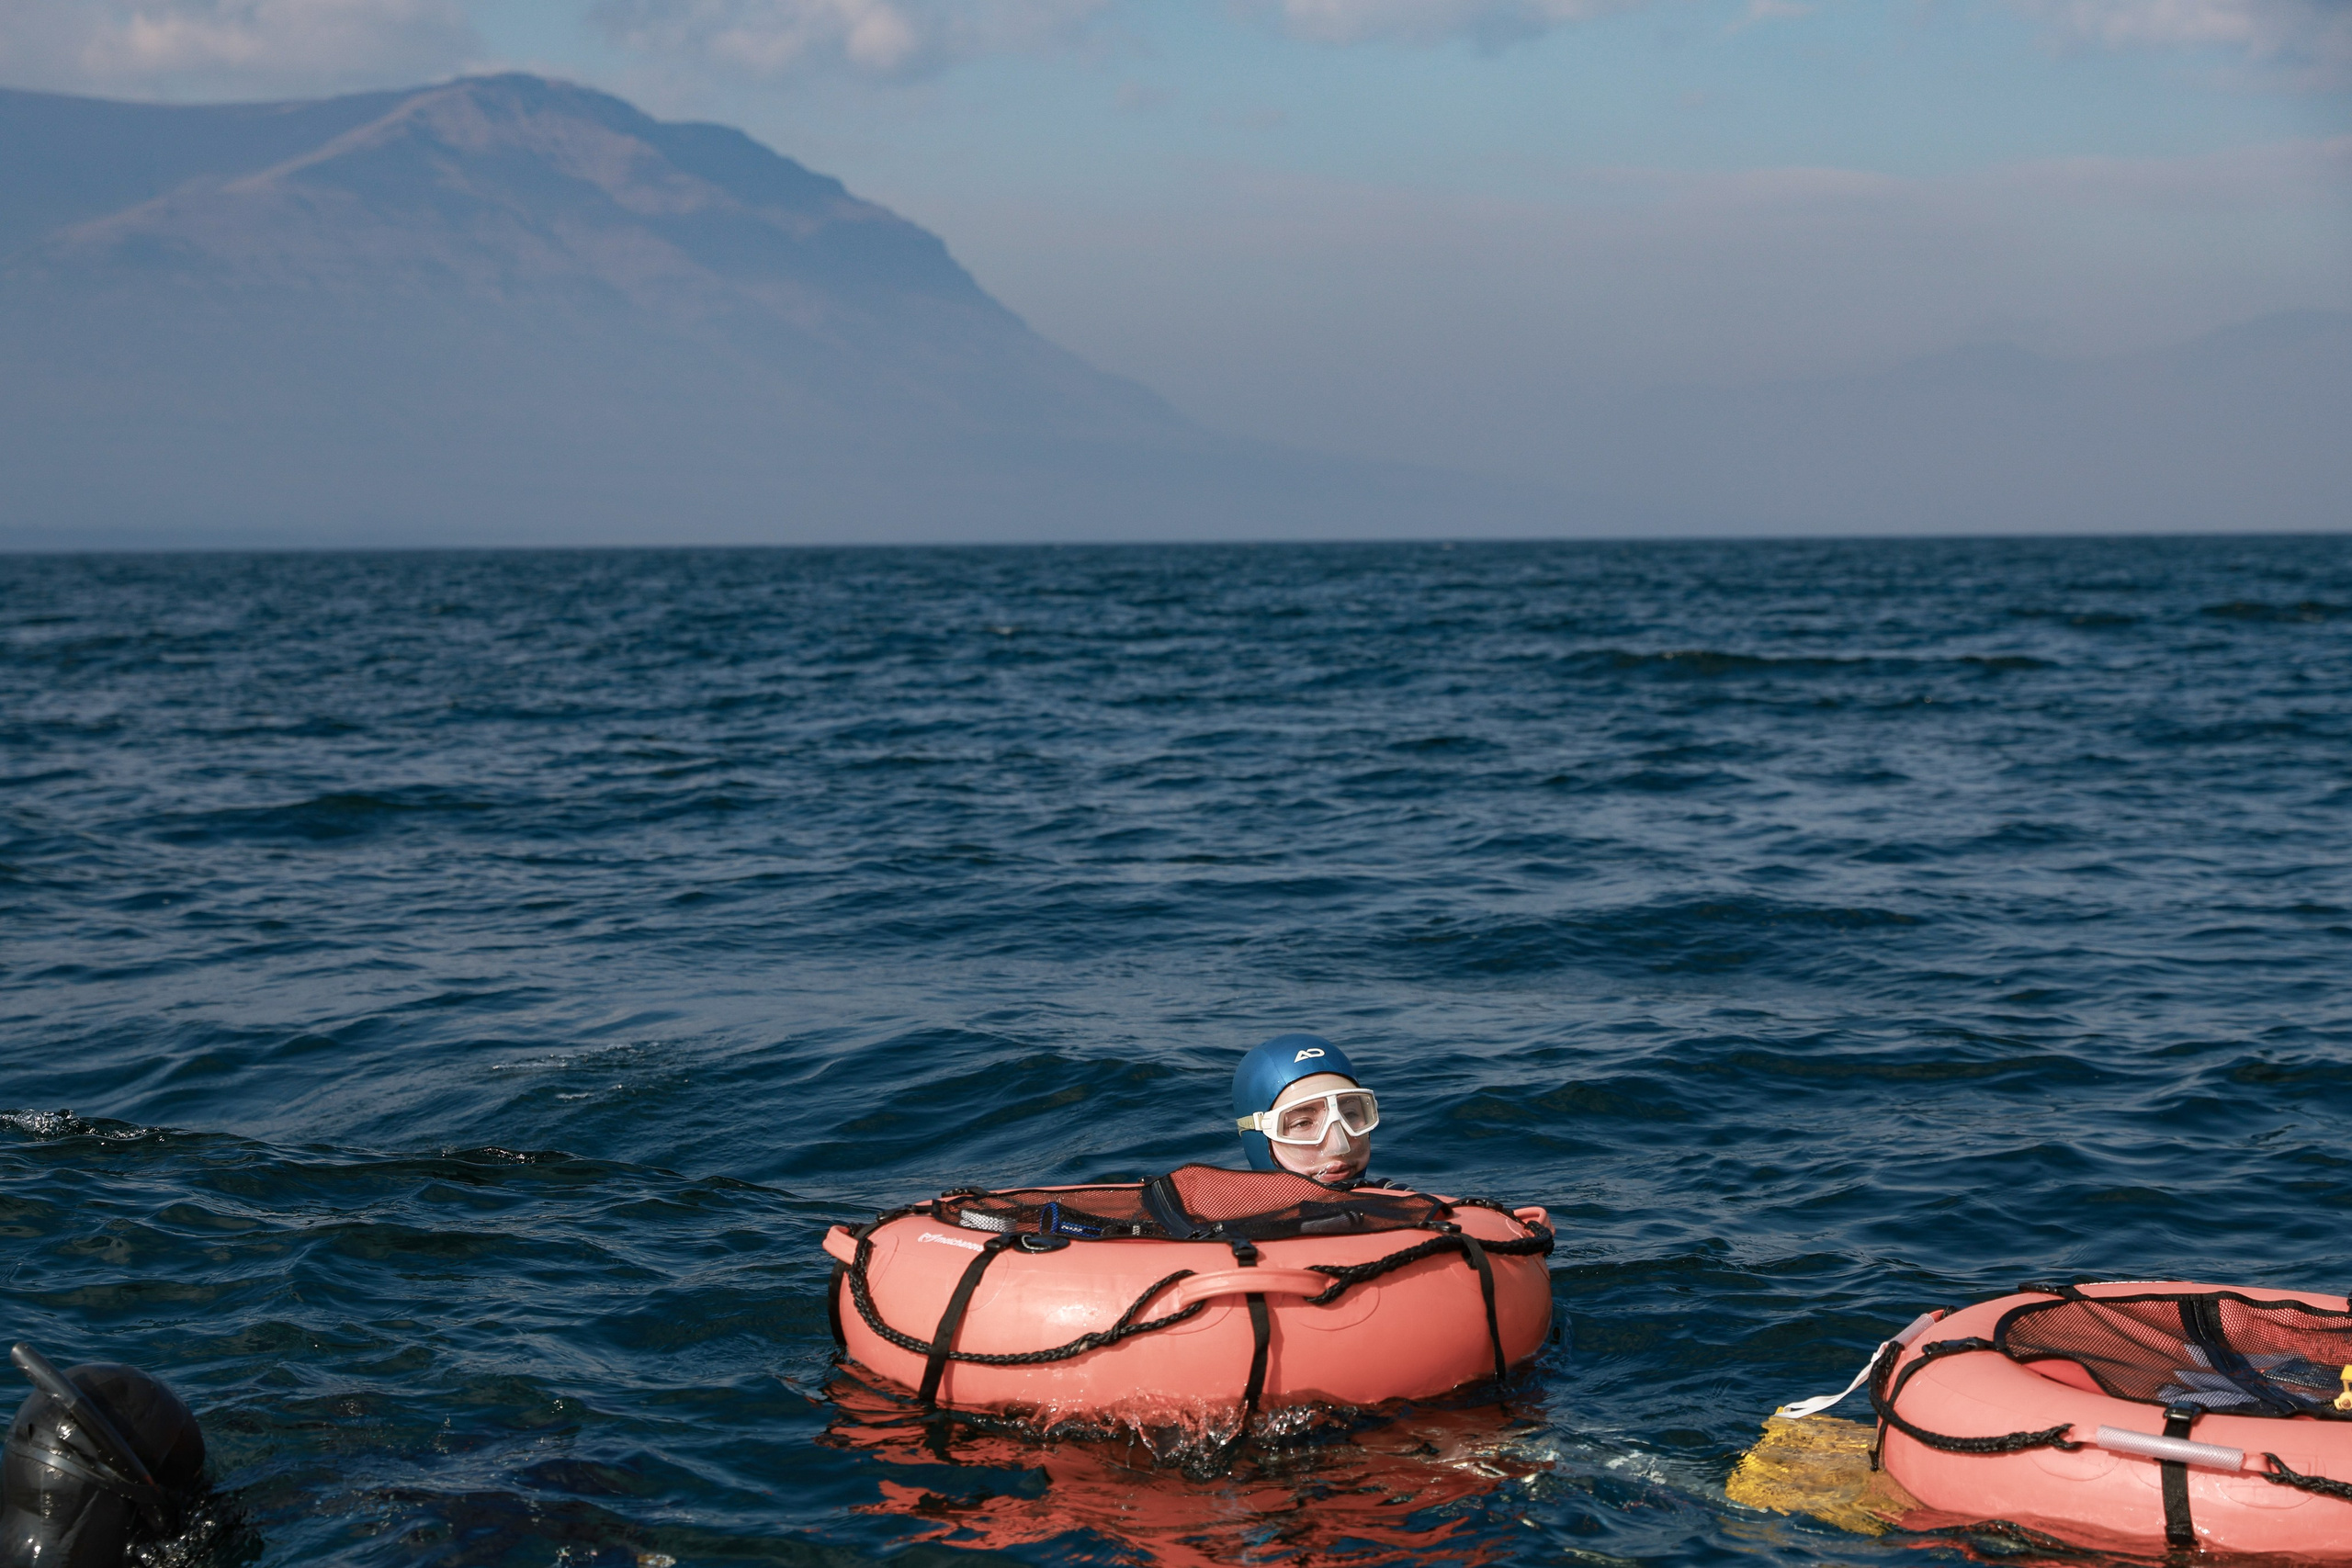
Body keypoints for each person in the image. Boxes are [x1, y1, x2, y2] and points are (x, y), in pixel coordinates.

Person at [1231, 1033, 1379, 1187]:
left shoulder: (1399, 1200)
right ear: (1259, 1139)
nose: (1339, 1146)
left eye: (1349, 1114)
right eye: (1302, 1123)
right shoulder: (1225, 1209)